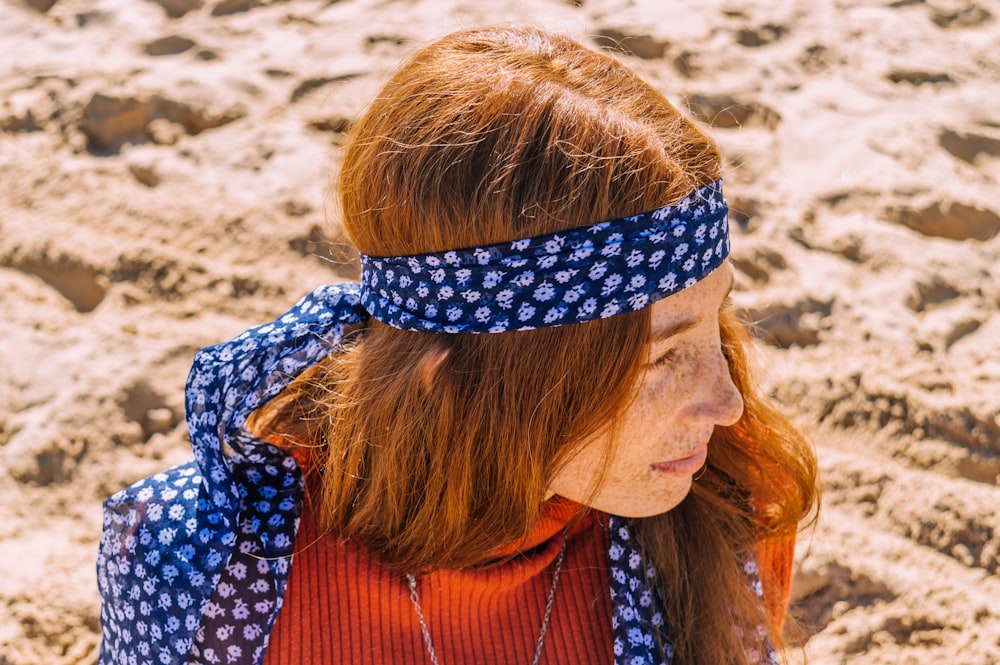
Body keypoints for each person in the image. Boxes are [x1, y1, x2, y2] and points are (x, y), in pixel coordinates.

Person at [96, 25, 818, 665]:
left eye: (714, 322)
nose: (725, 402)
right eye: (661, 356)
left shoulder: (725, 510)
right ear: (453, 378)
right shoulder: (205, 574)